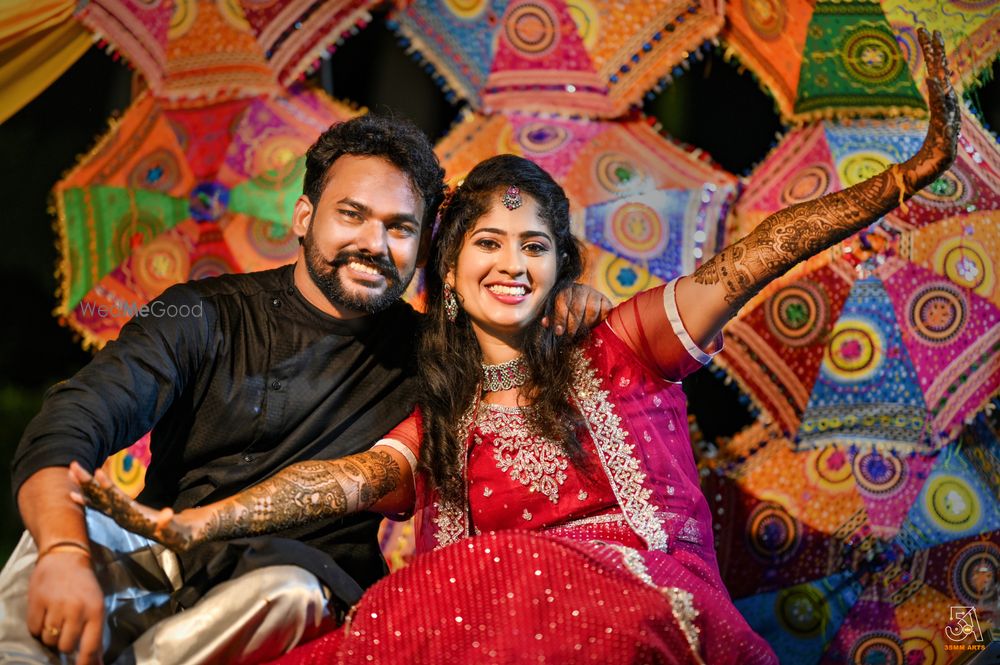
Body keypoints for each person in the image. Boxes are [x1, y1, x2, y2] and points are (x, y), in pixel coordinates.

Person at [73, 28, 958, 664]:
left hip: (632, 614)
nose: (511, 263)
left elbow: (756, 256)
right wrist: (202, 520)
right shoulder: (438, 412)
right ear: (450, 270)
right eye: (487, 243)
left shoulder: (621, 344)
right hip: (469, 625)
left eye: (534, 245)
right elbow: (339, 481)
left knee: (511, 574)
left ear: (559, 264)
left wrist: (906, 175)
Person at [0, 115, 608, 665]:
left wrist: (567, 300)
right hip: (167, 557)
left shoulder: (438, 356)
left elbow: (517, 325)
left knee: (285, 593)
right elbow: (72, 422)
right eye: (352, 215)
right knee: (62, 535)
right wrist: (63, 551)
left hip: (298, 590)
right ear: (302, 217)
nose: (374, 244)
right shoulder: (201, 314)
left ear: (424, 246)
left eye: (399, 227)